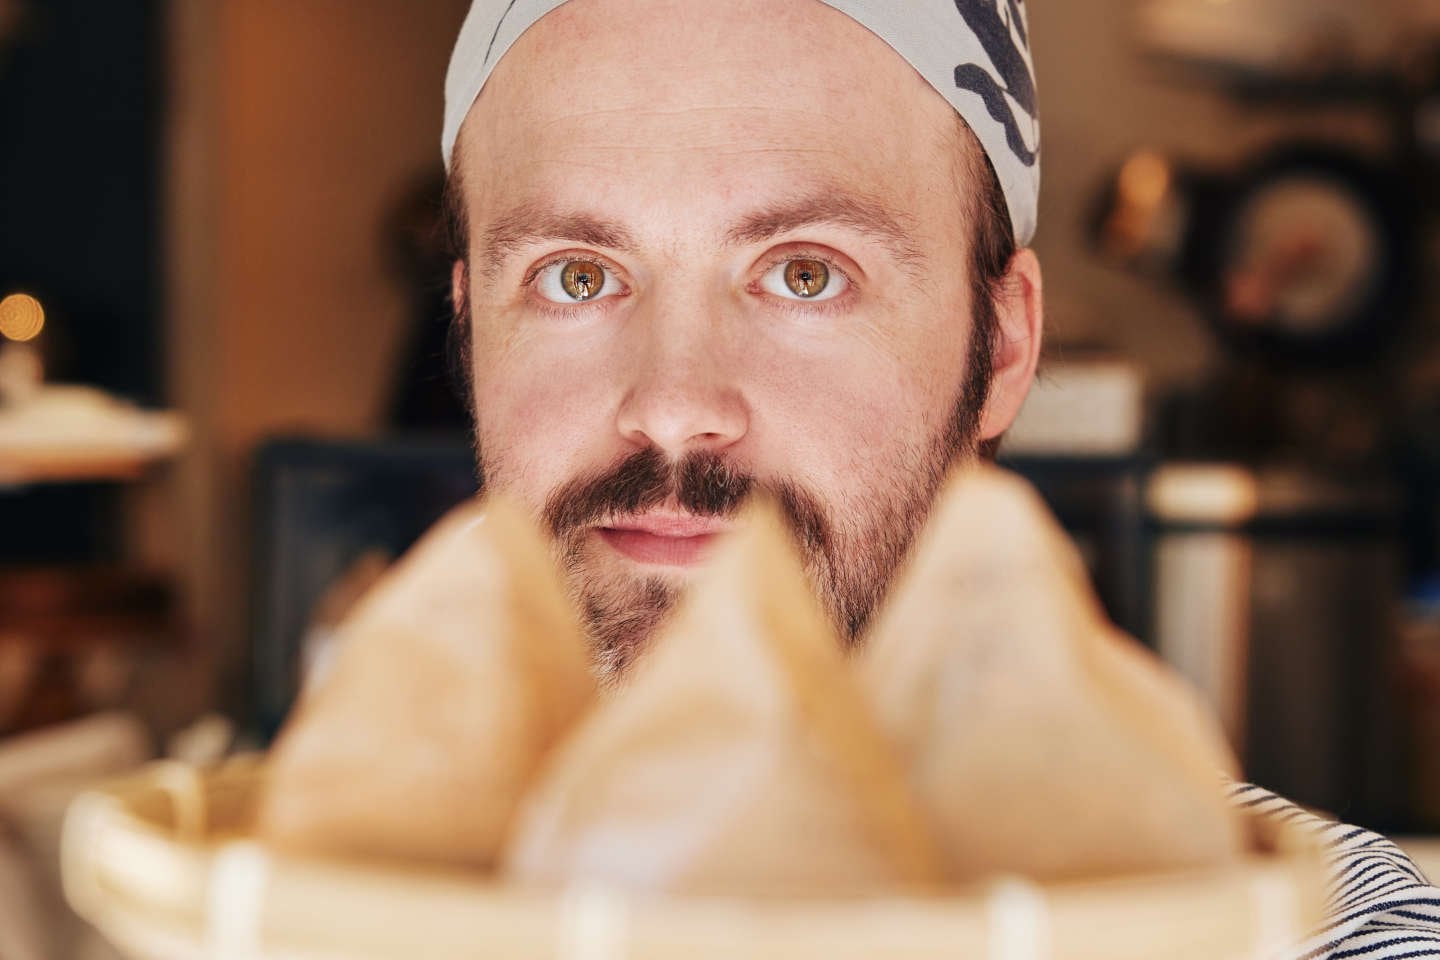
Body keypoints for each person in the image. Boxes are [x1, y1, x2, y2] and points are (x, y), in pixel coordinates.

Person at [437, 1, 1440, 955]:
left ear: (1002, 348)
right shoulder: (334, 919)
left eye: (805, 274)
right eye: (575, 276)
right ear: (472, 325)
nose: (671, 405)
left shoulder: (1303, 930)